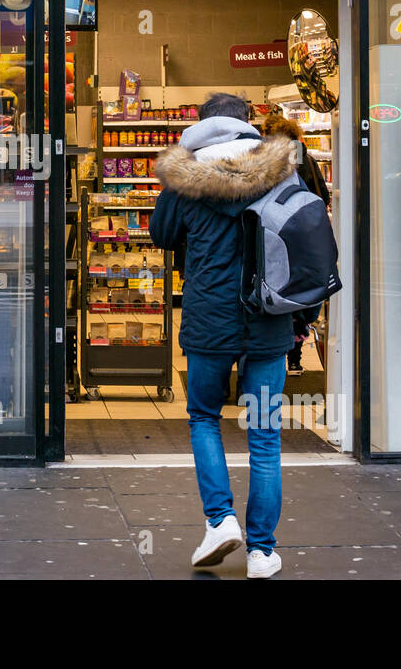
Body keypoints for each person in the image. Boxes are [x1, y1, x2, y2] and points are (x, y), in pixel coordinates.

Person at [149, 92, 297, 579]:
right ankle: (260, 552)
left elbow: (162, 235)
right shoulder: (279, 170)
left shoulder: (184, 179)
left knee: (204, 417)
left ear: (200, 126)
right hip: (268, 320)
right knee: (265, 437)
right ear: (248, 123)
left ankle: (220, 520)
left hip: (209, 319)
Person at [261, 113, 331, 375]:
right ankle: (294, 358)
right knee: (298, 296)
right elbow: (322, 197)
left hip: (276, 237)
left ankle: (276, 354)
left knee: (277, 292)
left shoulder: (266, 163)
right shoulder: (309, 161)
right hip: (304, 239)